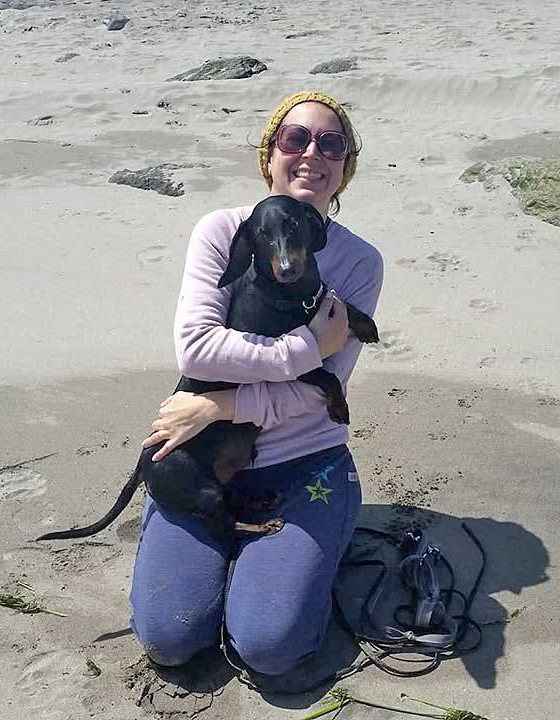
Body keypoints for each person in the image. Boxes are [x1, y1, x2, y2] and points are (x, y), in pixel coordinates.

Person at [128, 91, 384, 679]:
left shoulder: (358, 263)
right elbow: (197, 346)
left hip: (304, 463)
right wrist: (307, 347)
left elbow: (317, 395)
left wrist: (217, 404)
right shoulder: (224, 230)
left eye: (332, 144)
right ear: (269, 155)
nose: (311, 154)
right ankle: (232, 553)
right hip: (201, 461)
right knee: (170, 638)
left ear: (346, 166)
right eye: (295, 139)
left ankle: (313, 544)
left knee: (269, 647)